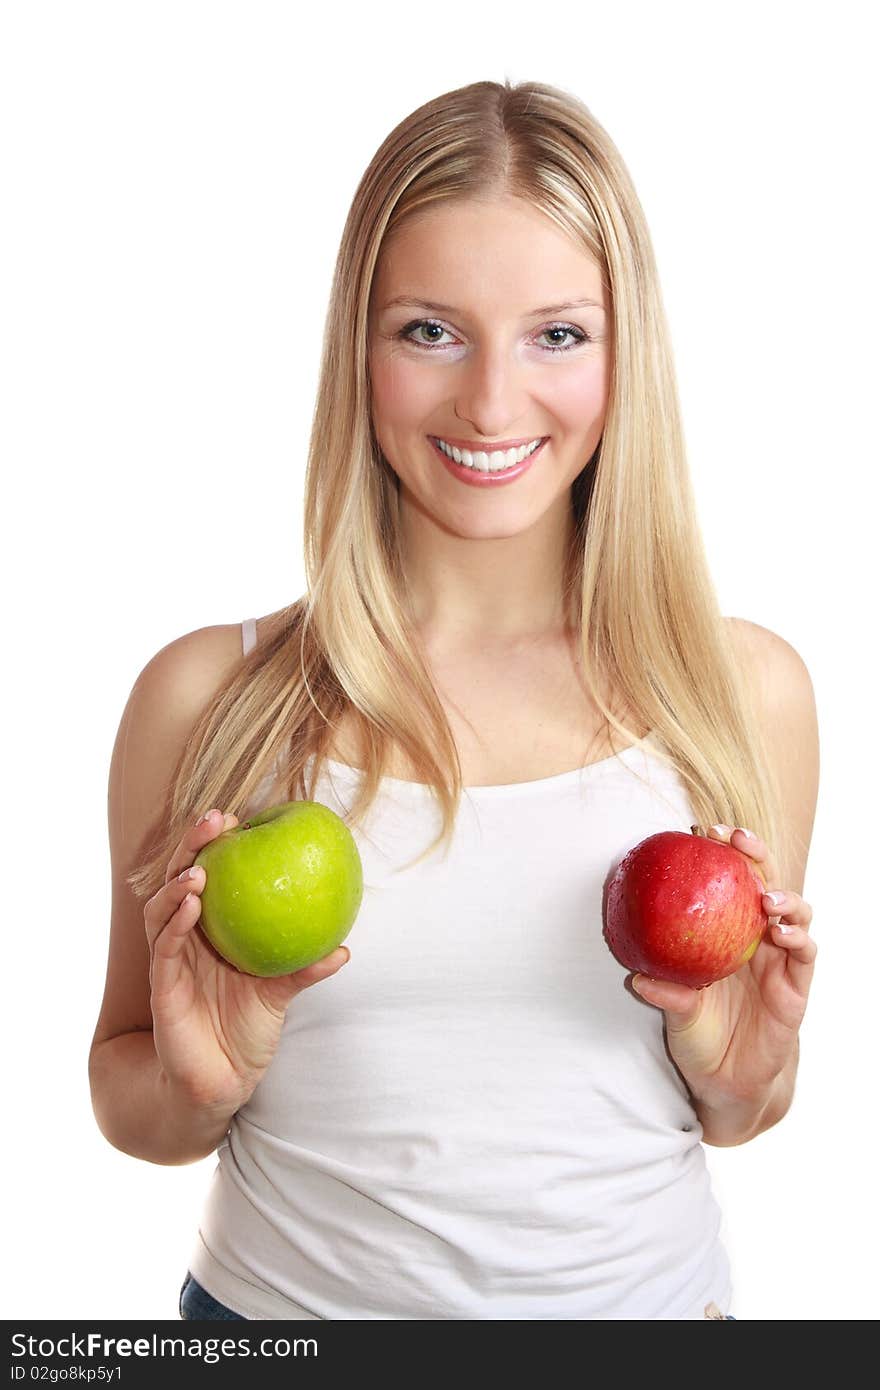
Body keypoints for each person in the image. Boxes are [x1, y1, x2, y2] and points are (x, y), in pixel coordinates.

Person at [88, 78, 819, 1321]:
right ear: (356, 346)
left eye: (557, 334)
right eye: (430, 331)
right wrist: (203, 1083)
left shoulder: (740, 694)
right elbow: (133, 1096)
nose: (489, 403)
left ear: (623, 351)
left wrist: (739, 1071)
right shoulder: (211, 696)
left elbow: (739, 1108)